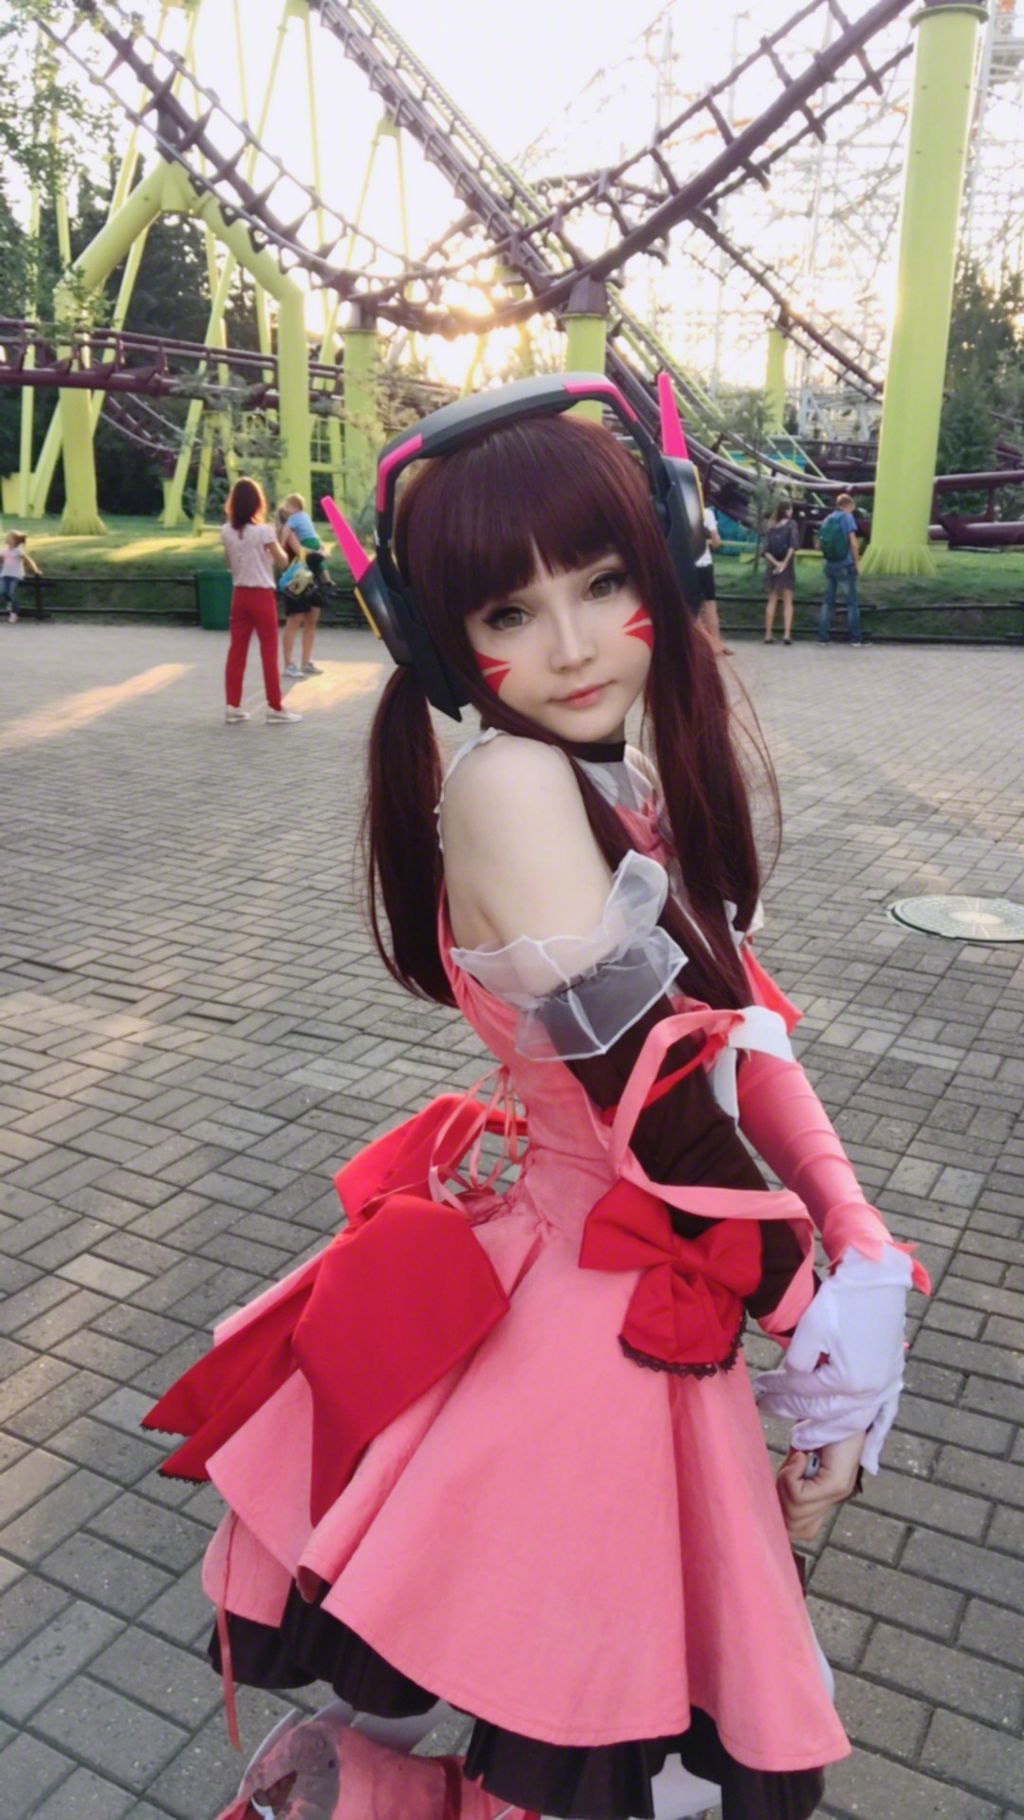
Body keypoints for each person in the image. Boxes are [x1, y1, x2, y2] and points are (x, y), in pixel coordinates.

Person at [146, 386, 927, 1820]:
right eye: (510, 611)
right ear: (442, 640)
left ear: (667, 567)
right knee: (588, 1737)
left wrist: (858, 1242)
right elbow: (658, 1105)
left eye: (605, 582)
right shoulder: (511, 782)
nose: (569, 644)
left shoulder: (623, 774)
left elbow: (742, 1033)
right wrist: (823, 1330)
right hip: (591, 1317)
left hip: (661, 1289)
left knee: (619, 1741)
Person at [220, 478, 302, 725]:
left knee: (237, 650)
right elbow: (283, 561)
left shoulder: (226, 531)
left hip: (239, 594)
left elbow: (228, 562)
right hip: (262, 595)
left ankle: (233, 705)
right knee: (268, 651)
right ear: (257, 503)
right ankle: (275, 707)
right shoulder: (264, 531)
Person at [282, 490, 329, 675]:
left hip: (312, 574)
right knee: (295, 619)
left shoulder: (305, 529)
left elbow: (320, 546)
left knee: (312, 618)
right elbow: (301, 552)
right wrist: (319, 552)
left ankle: (306, 661)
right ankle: (289, 664)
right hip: (298, 576)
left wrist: (322, 551)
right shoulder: (290, 531)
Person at [817, 492, 862, 646]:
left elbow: (819, 544)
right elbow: (853, 543)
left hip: (830, 564)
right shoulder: (847, 518)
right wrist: (857, 563)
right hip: (845, 564)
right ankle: (856, 638)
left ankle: (823, 637)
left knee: (827, 602)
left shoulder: (827, 519)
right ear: (848, 505)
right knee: (852, 603)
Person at [694, 500, 729, 656]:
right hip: (703, 562)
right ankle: (716, 644)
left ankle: (697, 643)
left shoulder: (678, 511)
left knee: (689, 607)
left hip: (684, 563)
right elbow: (716, 541)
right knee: (710, 605)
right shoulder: (706, 513)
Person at [762, 502, 800, 645]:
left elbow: (765, 550)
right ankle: (787, 634)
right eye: (791, 509)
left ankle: (768, 634)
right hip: (787, 567)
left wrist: (776, 563)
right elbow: (793, 546)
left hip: (772, 567)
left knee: (772, 600)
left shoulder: (771, 526)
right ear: (787, 510)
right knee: (788, 601)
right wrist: (784, 563)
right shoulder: (791, 525)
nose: (792, 512)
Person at [1, 532, 41, 623]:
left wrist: (35, 570)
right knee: (3, 592)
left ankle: (14, 613)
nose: (6, 538)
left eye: (9, 537)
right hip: (5, 574)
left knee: (12, 592)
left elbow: (28, 560)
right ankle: (11, 603)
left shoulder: (18, 551)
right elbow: (1, 560)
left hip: (15, 575)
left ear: (15, 541)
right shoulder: (4, 551)